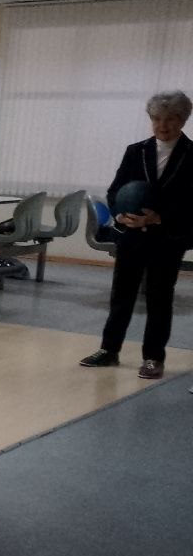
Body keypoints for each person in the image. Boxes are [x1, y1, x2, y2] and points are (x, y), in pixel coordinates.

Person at [80, 90, 193, 379]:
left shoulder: (192, 155)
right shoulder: (136, 151)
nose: (162, 125)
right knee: (122, 295)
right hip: (131, 236)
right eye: (157, 119)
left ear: (183, 120)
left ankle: (153, 358)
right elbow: (116, 190)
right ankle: (109, 350)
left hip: (168, 238)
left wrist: (160, 217)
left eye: (170, 119)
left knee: (159, 298)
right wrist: (119, 213)